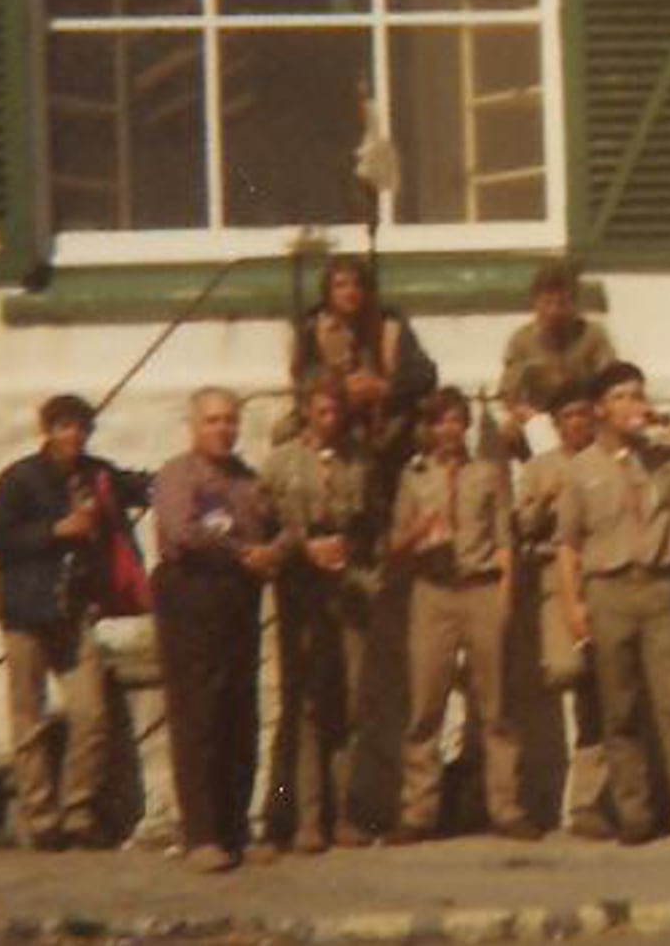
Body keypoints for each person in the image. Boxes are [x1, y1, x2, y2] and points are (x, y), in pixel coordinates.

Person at [517, 380, 670, 840]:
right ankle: (633, 814)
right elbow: (568, 546)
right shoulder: (581, 470)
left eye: (637, 394)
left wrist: (668, 422)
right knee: (620, 710)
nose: (632, 404)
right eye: (621, 397)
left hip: (660, 591)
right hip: (607, 592)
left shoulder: (665, 459)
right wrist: (574, 606)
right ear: (601, 409)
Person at [0, 394, 147, 851]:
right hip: (26, 609)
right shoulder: (19, 479)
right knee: (29, 719)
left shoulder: (96, 474)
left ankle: (79, 810)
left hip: (74, 610)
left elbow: (138, 487)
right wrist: (56, 531)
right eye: (63, 427)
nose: (73, 435)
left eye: (80, 427)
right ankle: (42, 817)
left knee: (90, 712)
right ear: (48, 430)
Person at [386, 387, 540, 843]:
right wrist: (418, 530)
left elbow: (504, 541)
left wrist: (505, 597)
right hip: (432, 593)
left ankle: (506, 807)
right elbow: (395, 547)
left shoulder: (487, 474)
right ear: (428, 429)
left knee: (496, 706)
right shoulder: (413, 476)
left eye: (456, 420)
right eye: (440, 422)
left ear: (466, 426)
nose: (449, 430)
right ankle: (418, 812)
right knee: (426, 706)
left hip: (480, 589)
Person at [153, 386, 290, 874]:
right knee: (198, 713)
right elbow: (182, 532)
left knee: (239, 712)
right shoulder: (176, 474)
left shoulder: (247, 478)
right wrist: (243, 553)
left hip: (238, 599)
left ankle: (236, 828)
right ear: (193, 425)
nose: (223, 429)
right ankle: (203, 834)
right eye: (212, 420)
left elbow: (273, 524)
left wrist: (277, 548)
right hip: (192, 594)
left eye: (230, 420)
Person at [263, 374, 376, 853]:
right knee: (306, 703)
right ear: (307, 411)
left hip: (347, 591)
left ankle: (345, 813)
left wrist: (355, 557)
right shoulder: (281, 463)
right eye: (322, 410)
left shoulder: (360, 463)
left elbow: (372, 525)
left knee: (348, 702)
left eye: (338, 410)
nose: (331, 419)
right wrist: (303, 547)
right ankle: (306, 818)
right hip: (300, 592)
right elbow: (266, 524)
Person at [291, 254, 437, 509]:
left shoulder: (391, 325)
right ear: (328, 291)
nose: (350, 292)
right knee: (285, 434)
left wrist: (385, 389)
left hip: (387, 421)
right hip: (335, 415)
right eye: (341, 285)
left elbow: (425, 374)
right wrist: (340, 388)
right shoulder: (314, 327)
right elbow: (303, 377)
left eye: (357, 284)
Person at [498, 263, 616, 456]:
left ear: (574, 305)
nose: (554, 311)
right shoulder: (521, 340)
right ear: (535, 303)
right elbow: (509, 393)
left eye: (561, 303)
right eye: (547, 303)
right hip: (540, 418)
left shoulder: (593, 336)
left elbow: (610, 381)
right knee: (506, 434)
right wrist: (528, 416)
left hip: (584, 415)